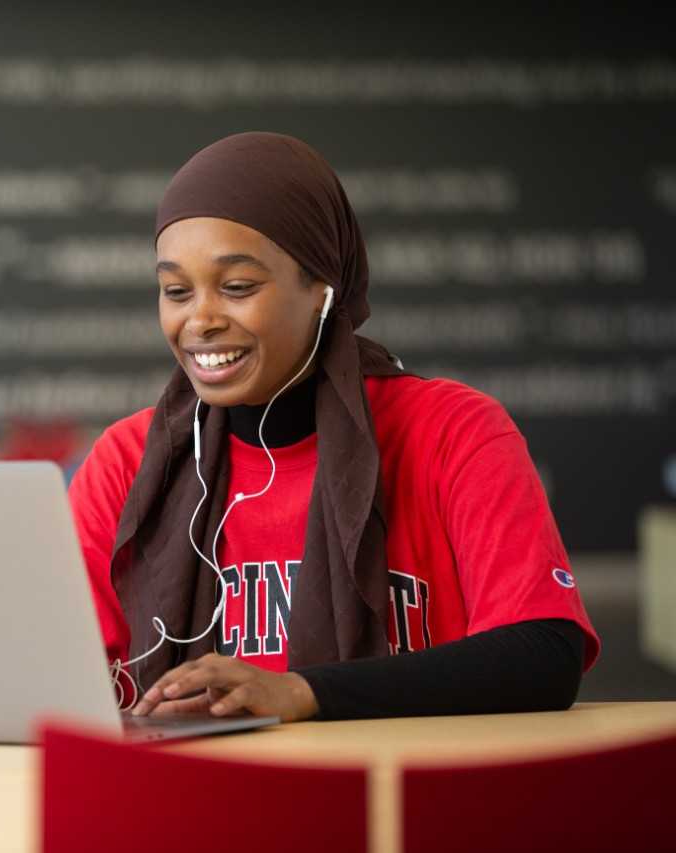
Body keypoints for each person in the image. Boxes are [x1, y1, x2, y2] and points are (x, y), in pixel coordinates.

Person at [67, 131, 598, 722]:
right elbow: (51, 673)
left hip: (399, 798)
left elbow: (544, 654)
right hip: (192, 803)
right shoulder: (128, 460)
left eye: (238, 286)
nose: (202, 320)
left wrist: (300, 692)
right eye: (176, 291)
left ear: (323, 289)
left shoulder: (453, 431)